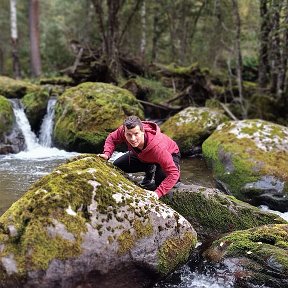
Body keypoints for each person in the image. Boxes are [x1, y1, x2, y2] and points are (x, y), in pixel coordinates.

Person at [98, 115, 181, 199]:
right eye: (129, 135)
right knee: (117, 166)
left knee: (160, 182)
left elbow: (173, 173)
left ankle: (176, 172)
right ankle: (150, 168)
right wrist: (107, 154)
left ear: (142, 131)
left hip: (170, 153)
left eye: (136, 134)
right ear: (124, 132)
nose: (133, 139)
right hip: (143, 155)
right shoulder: (124, 130)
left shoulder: (158, 148)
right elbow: (111, 138)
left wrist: (157, 193)